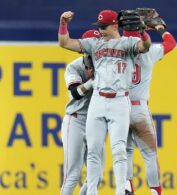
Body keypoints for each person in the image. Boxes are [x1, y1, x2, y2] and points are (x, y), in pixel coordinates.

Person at [58, 10, 151, 195]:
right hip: (89, 108)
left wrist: (143, 31)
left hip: (119, 100)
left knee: (119, 149)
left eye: (103, 27)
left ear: (115, 26)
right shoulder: (91, 48)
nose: (100, 30)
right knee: (87, 158)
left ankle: (120, 190)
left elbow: (145, 46)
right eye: (98, 27)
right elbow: (64, 42)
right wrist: (63, 24)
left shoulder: (127, 43)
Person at [123, 25, 176, 195]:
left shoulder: (116, 52)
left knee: (125, 152)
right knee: (149, 155)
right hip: (139, 109)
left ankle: (127, 187)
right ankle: (155, 191)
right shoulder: (150, 51)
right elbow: (171, 43)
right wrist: (160, 28)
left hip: (120, 107)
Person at [60, 30, 105, 195]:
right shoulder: (75, 66)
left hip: (96, 122)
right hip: (76, 120)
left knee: (97, 176)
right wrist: (91, 83)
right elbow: (75, 93)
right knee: (72, 175)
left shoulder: (107, 65)